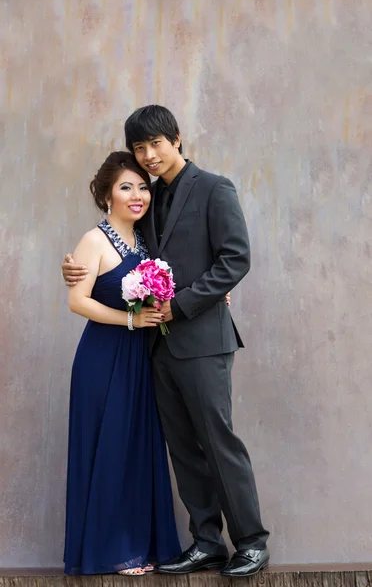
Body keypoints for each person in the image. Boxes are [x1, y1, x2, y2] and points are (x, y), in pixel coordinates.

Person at [62, 105, 270, 577]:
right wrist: (74, 269)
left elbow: (235, 260)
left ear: (177, 139)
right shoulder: (148, 198)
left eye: (156, 143)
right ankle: (206, 542)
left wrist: (186, 303)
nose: (149, 155)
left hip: (202, 341)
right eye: (140, 147)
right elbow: (126, 256)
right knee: (183, 448)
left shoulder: (215, 188)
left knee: (218, 444)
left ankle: (252, 542)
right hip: (155, 349)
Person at [63, 151, 181, 576]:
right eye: (126, 187)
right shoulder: (94, 240)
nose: (137, 195)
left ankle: (142, 544)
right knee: (109, 449)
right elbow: (78, 302)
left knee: (138, 450)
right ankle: (110, 550)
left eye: (143, 186)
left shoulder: (149, 239)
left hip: (140, 361)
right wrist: (131, 319)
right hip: (103, 358)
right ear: (107, 195)